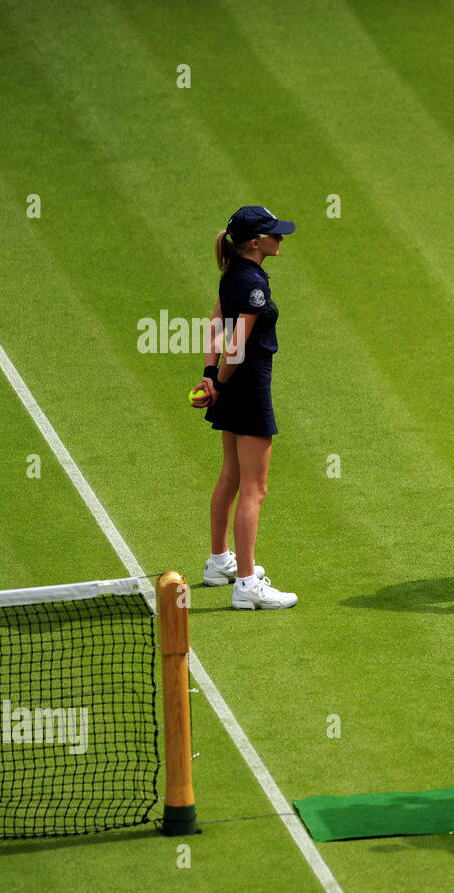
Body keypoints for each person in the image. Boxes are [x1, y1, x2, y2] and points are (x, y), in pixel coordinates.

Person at [189, 206, 298, 610]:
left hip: (232, 382)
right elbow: (236, 345)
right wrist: (218, 381)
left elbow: (217, 322)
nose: (280, 239)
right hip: (248, 384)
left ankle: (219, 562)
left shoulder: (233, 274)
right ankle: (247, 584)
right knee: (255, 487)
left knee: (232, 474)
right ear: (257, 243)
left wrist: (209, 375)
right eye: (274, 234)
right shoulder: (254, 285)